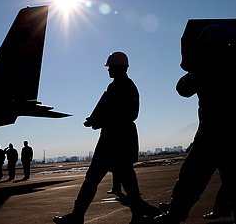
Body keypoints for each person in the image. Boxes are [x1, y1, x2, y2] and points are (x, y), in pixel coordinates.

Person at [152, 25, 236, 224]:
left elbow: (183, 88)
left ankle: (175, 215)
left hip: (212, 135)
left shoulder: (209, 67)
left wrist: (194, 66)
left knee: (192, 178)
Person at [53, 51, 161, 224]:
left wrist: (97, 120)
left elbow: (121, 113)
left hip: (114, 140)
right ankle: (139, 215)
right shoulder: (124, 86)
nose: (108, 70)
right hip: (120, 139)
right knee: (125, 181)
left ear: (118, 67)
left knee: (95, 179)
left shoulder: (120, 87)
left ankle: (78, 216)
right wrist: (96, 119)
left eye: (110, 67)